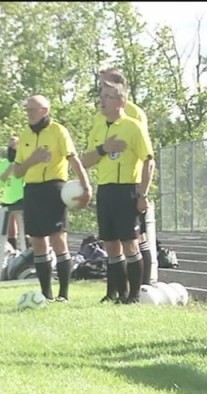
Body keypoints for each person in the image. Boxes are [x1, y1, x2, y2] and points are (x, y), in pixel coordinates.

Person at [80, 81, 155, 304]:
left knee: (130, 243)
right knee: (111, 245)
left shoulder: (133, 126)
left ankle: (134, 295)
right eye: (101, 96)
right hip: (106, 190)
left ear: (121, 102)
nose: (102, 101)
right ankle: (117, 294)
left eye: (108, 97)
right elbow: (85, 160)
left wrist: (142, 194)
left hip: (127, 190)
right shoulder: (99, 127)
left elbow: (148, 161)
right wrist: (104, 149)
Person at [13, 95, 92, 302]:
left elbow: (73, 160)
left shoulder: (58, 131)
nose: (28, 113)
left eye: (32, 109)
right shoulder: (25, 135)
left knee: (58, 239)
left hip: (53, 189)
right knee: (38, 242)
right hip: (32, 190)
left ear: (45, 110)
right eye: (27, 109)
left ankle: (63, 294)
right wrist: (33, 159)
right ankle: (46, 294)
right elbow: (18, 172)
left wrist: (86, 186)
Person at [0, 137, 26, 251]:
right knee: (10, 231)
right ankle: (12, 254)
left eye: (14, 146)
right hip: (7, 200)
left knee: (24, 228)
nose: (11, 149)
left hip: (21, 198)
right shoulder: (4, 163)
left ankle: (27, 252)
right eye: (9, 147)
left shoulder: (24, 162)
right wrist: (8, 171)